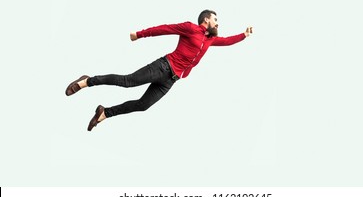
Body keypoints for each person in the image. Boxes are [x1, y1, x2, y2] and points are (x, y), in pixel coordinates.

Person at [65, 10, 253, 131]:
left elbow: (227, 40)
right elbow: (165, 29)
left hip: (171, 79)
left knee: (143, 105)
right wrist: (139, 34)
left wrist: (244, 35)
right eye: (215, 19)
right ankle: (86, 81)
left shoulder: (210, 39)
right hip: (163, 66)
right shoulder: (190, 28)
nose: (218, 23)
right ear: (206, 20)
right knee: (127, 81)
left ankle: (104, 113)